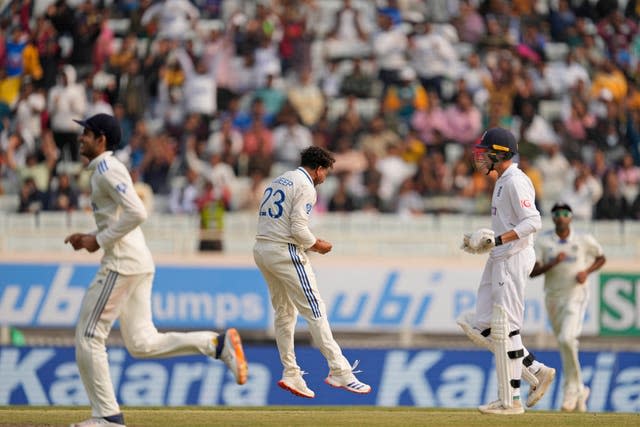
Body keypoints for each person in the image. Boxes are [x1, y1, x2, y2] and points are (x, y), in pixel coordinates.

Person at [65, 114, 247, 427]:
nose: (81, 138)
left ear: (101, 139)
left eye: (87, 133)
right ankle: (216, 345)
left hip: (121, 263)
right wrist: (90, 236)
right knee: (142, 343)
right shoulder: (103, 170)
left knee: (89, 334)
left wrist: (98, 239)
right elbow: (122, 216)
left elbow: (138, 211)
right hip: (136, 260)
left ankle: (107, 417)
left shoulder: (107, 169)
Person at [253, 146, 371, 399]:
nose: (325, 178)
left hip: (262, 249)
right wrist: (317, 245)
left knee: (284, 313)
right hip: (285, 252)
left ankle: (291, 372)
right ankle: (340, 370)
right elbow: (297, 228)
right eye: (325, 172)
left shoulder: (280, 179)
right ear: (318, 169)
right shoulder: (306, 186)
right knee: (315, 310)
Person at [458, 127, 556, 415]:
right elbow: (507, 225)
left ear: (499, 153)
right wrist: (482, 243)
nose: (480, 157)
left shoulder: (515, 181)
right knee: (479, 325)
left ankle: (510, 401)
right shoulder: (502, 180)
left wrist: (498, 240)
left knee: (506, 329)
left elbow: (533, 221)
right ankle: (536, 371)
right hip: (500, 257)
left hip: (512, 258)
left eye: (485, 151)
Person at [530, 202, 606, 412]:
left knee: (566, 338)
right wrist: (552, 263)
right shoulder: (544, 241)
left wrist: (586, 272)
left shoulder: (583, 239)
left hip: (576, 296)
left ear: (570, 217)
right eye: (557, 214)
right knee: (565, 343)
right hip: (553, 298)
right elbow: (533, 272)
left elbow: (601, 258)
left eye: (565, 214)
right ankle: (579, 389)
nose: (561, 217)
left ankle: (570, 389)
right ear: (553, 218)